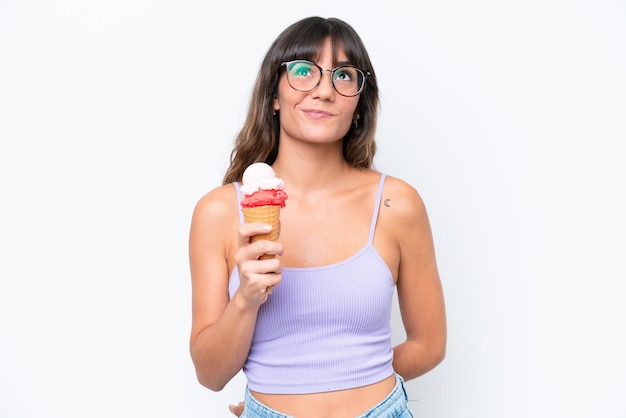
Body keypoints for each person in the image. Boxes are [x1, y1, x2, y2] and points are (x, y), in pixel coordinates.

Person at [188, 16, 447, 418]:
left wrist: (349, 383)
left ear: (358, 99)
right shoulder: (219, 212)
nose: (324, 90)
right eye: (304, 71)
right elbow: (210, 374)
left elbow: (429, 345)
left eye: (344, 75)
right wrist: (246, 299)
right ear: (273, 95)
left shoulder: (397, 204)